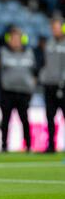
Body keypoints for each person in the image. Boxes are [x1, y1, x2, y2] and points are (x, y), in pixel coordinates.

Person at [0, 27, 36, 152]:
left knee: (25, 119)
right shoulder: (3, 52)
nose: (15, 41)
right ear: (9, 40)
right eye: (13, 38)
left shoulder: (29, 53)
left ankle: (28, 145)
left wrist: (32, 84)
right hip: (7, 92)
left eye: (18, 38)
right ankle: (4, 145)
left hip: (24, 92)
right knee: (6, 120)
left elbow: (35, 71)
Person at [39, 17, 65, 153]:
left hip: (63, 86)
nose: (54, 30)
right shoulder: (48, 43)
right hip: (49, 85)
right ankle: (51, 145)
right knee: (50, 116)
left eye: (56, 27)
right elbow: (43, 63)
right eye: (52, 28)